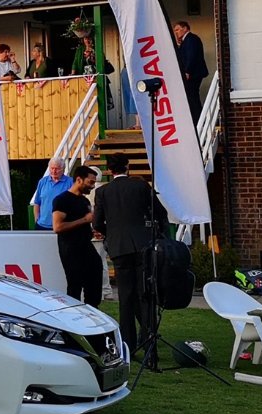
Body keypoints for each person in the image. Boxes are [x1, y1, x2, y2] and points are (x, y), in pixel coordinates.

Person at [93, 153, 167, 353]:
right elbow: (160, 213)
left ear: (109, 170)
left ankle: (128, 345)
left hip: (119, 248)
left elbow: (97, 222)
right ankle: (148, 340)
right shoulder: (140, 186)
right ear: (127, 166)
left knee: (125, 298)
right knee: (145, 293)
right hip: (142, 246)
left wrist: (112, 234)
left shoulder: (103, 192)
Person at [53, 167, 103, 307]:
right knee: (74, 285)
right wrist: (84, 220)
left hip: (86, 246)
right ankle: (74, 317)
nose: (92, 186)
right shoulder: (62, 200)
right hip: (70, 249)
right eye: (90, 182)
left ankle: (93, 311)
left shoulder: (85, 201)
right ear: (79, 179)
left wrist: (92, 230)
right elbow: (57, 227)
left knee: (95, 277)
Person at [174, 21, 208, 122]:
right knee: (192, 96)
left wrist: (187, 71)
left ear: (185, 28)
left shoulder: (191, 39)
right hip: (194, 73)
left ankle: (197, 119)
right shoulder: (187, 40)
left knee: (192, 96)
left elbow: (191, 56)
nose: (176, 32)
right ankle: (196, 118)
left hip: (193, 74)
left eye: (177, 29)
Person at [33, 158, 74, 231]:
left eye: (57, 169)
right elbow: (37, 203)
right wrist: (36, 219)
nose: (54, 171)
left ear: (63, 169)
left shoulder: (70, 182)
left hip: (63, 225)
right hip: (42, 226)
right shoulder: (42, 182)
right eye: (52, 168)